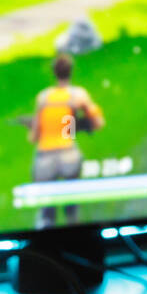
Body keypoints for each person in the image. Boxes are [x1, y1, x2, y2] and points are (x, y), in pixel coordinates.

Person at [28, 53, 106, 229]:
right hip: (68, 155)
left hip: (44, 159)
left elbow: (33, 137)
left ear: (54, 73)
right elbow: (98, 122)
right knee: (72, 209)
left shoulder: (43, 97)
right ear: (71, 71)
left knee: (46, 213)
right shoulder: (78, 95)